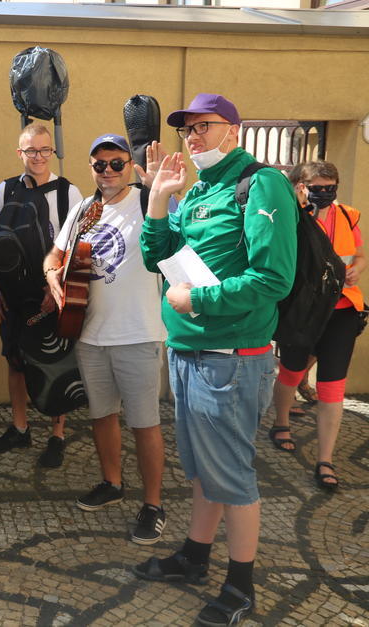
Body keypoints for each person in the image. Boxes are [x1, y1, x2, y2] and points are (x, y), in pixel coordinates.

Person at [136, 94, 297, 626]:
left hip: (231, 358)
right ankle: (195, 555)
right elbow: (157, 258)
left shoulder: (260, 183)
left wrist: (199, 300)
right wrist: (158, 200)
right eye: (187, 130)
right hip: (189, 351)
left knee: (231, 474)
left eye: (203, 126)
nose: (193, 137)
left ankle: (241, 587)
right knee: (203, 468)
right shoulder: (201, 188)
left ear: (234, 129)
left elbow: (273, 278)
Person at [44, 134, 167, 544]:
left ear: (129, 166)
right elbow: (55, 254)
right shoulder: (84, 209)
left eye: (116, 163)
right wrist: (52, 276)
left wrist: (162, 189)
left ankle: (153, 504)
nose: (108, 171)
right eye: (100, 164)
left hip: (138, 332)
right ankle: (112, 483)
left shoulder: (147, 201)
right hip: (90, 331)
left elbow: (179, 227)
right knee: (102, 415)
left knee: (145, 423)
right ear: (91, 168)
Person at [0, 122, 82, 468]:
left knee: (58, 359)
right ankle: (20, 427)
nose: (38, 157)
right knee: (15, 359)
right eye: (31, 151)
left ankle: (57, 435)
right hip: (15, 293)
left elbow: (75, 248)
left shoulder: (69, 193)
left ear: (52, 152)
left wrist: (57, 290)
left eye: (44, 150)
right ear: (20, 153)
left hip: (52, 292)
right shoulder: (5, 190)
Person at [268, 160, 364, 489]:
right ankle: (281, 421)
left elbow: (359, 255)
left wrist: (358, 268)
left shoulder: (349, 216)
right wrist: (309, 214)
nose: (324, 193)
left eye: (330, 188)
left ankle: (325, 459)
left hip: (342, 309)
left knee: (333, 386)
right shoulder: (292, 217)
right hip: (304, 310)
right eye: (317, 188)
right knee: (291, 372)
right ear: (301, 187)